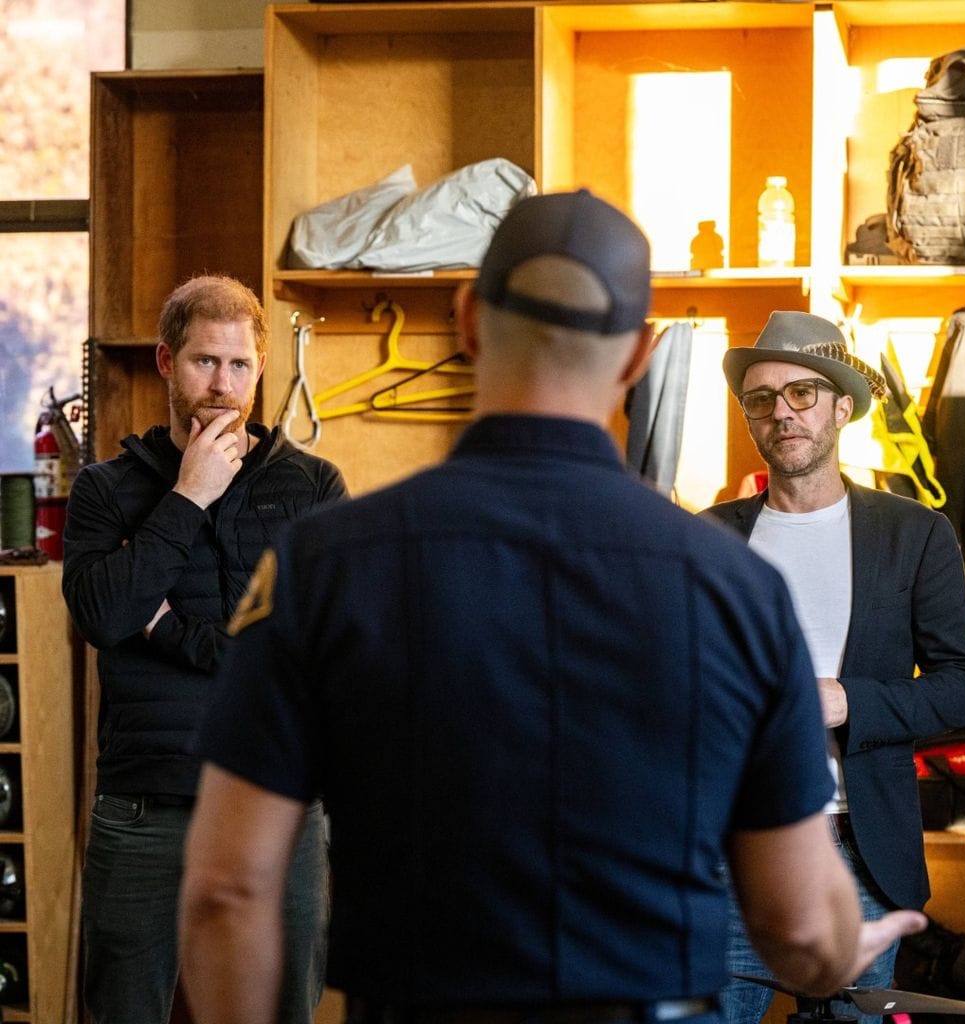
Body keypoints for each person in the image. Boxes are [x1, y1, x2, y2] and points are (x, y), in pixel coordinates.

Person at [177, 192, 925, 1024]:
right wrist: (842, 948)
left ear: (468, 319)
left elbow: (224, 892)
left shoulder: (324, 565)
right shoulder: (735, 589)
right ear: (638, 355)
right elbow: (799, 932)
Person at [63, 274, 347, 1024]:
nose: (223, 386)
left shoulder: (315, 488)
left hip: (278, 805)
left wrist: (163, 630)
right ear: (165, 361)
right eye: (203, 363)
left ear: (259, 370)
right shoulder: (105, 490)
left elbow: (314, 655)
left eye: (239, 365)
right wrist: (187, 496)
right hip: (143, 805)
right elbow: (100, 614)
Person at [700, 311, 965, 1024]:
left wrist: (847, 702)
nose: (782, 413)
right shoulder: (709, 536)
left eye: (801, 393)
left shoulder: (915, 532)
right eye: (761, 399)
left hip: (860, 850)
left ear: (842, 405)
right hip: (731, 848)